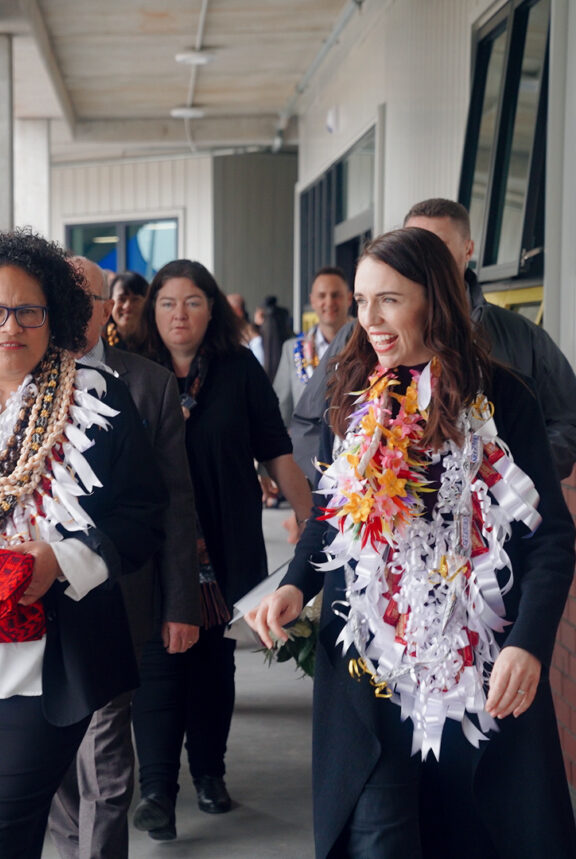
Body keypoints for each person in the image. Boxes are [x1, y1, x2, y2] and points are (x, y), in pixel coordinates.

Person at [247, 228, 576, 858]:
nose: (366, 318)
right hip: (371, 674)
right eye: (361, 300)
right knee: (378, 838)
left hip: (479, 676)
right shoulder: (351, 392)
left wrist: (530, 644)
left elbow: (551, 537)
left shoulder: (504, 399)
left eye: (388, 300)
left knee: (472, 834)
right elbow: (330, 513)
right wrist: (295, 584)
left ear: (436, 300)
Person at [0, 230, 166, 858]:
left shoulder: (99, 403)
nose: (9, 326)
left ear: (55, 319)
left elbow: (144, 516)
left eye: (29, 311)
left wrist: (63, 559)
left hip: (40, 669)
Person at [130, 259, 312, 841]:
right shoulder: (133, 375)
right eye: (166, 303)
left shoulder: (240, 372)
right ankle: (157, 790)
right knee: (157, 664)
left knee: (212, 663)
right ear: (150, 311)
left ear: (214, 310)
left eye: (191, 302)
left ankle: (210, 774)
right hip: (158, 548)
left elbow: (278, 452)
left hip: (227, 543)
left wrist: (314, 527)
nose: (178, 314)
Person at [49, 257, 201, 859]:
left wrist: (182, 602)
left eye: (88, 296)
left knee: (107, 754)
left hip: (121, 595)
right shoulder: (23, 375)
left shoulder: (147, 383)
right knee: (55, 754)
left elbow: (175, 503)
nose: (75, 306)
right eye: (63, 294)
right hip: (42, 599)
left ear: (109, 306)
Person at [289, 198, 576, 484]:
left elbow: (567, 420)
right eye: (412, 246)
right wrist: (344, 486)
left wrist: (510, 479)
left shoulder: (519, 338)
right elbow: (310, 423)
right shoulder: (359, 341)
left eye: (437, 247)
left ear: (468, 250)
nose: (422, 259)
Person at [274, 267, 352, 427]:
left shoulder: (368, 344)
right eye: (322, 296)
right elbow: (282, 408)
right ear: (312, 300)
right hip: (308, 447)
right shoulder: (292, 350)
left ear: (349, 298)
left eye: (336, 295)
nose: (329, 302)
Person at [105, 270, 149, 349]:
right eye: (122, 299)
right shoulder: (100, 342)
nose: (127, 306)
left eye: (135, 299)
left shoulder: (157, 343)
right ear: (110, 304)